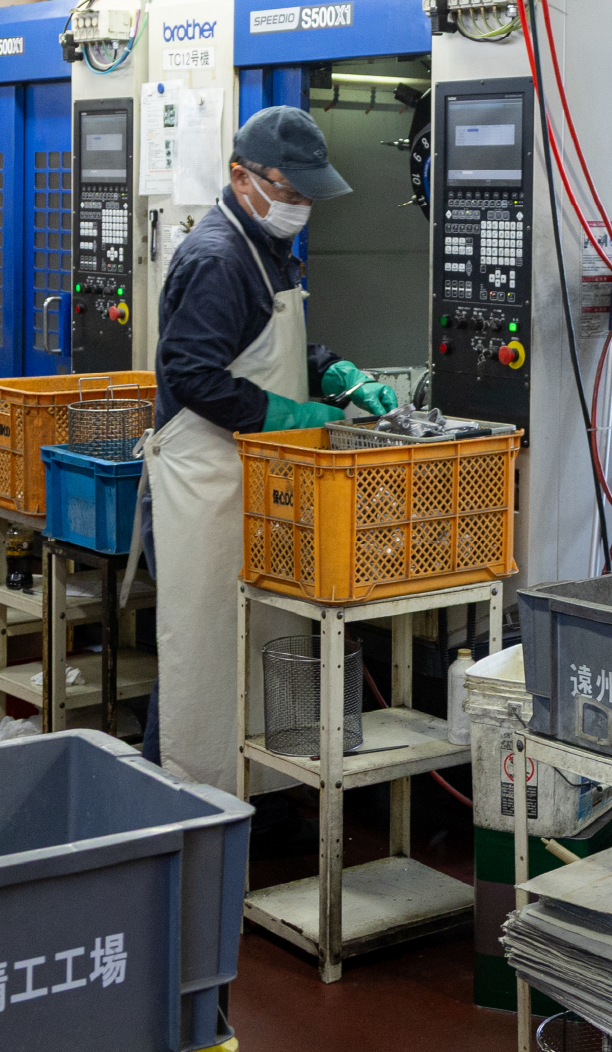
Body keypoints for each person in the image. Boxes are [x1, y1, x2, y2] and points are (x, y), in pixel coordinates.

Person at [142, 104, 397, 788]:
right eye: (289, 191)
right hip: (205, 483)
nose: (300, 205)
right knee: (199, 656)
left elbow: (269, 345)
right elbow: (191, 373)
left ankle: (250, 794)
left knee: (247, 646)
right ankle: (176, 811)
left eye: (308, 193)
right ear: (242, 177)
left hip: (249, 477)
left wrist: (336, 370)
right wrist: (287, 414)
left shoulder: (266, 246)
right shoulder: (219, 257)